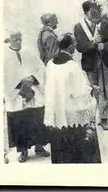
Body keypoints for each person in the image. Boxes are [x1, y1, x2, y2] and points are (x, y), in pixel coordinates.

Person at [43, 34, 101, 163]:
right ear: (70, 48)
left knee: (61, 147)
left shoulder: (50, 64)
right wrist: (93, 90)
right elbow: (80, 91)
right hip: (72, 113)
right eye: (74, 44)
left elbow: (49, 88)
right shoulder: (72, 65)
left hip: (57, 112)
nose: (76, 46)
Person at [4, 32, 49, 163]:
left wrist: (33, 79)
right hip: (16, 93)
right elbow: (4, 76)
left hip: (33, 90)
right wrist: (20, 83)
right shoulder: (5, 57)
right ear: (9, 40)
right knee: (20, 121)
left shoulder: (29, 52)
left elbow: (40, 67)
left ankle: (39, 147)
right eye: (15, 38)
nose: (18, 41)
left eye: (20, 38)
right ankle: (23, 151)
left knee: (37, 118)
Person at [73, 0, 108, 131]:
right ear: (86, 12)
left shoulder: (104, 24)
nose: (95, 13)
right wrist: (93, 44)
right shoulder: (78, 27)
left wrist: (106, 46)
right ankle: (94, 116)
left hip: (105, 61)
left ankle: (104, 118)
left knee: (105, 89)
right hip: (90, 63)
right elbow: (80, 47)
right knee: (94, 90)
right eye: (92, 11)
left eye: (97, 10)